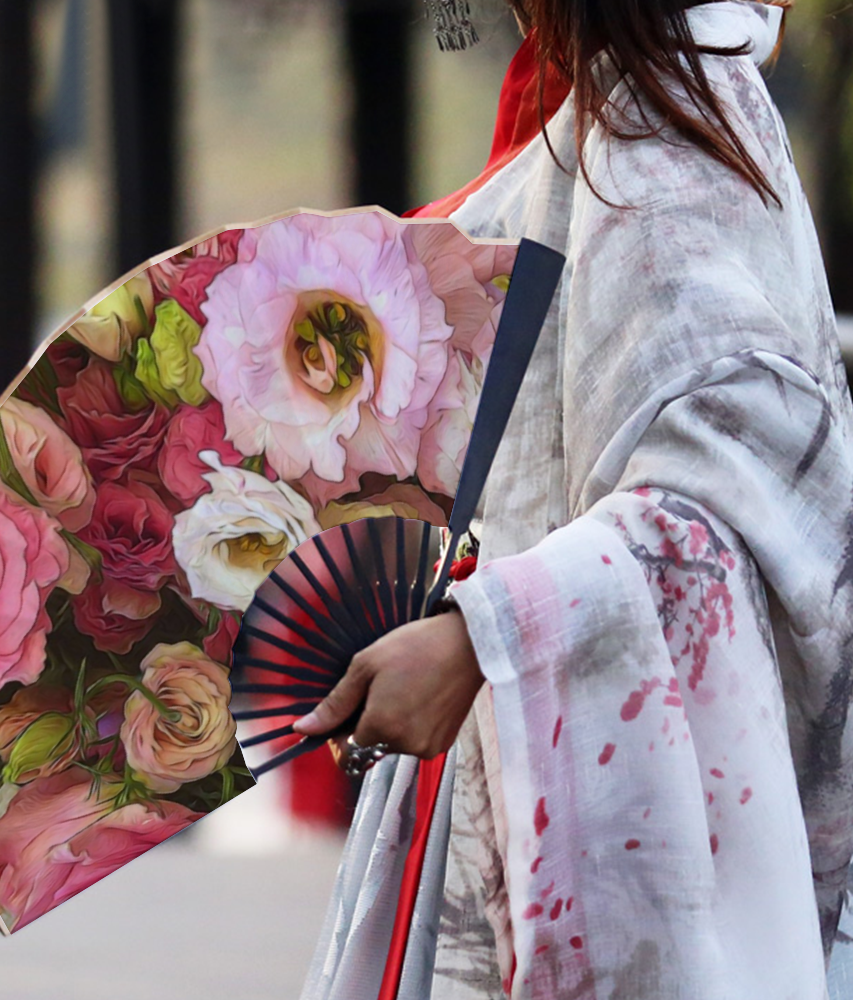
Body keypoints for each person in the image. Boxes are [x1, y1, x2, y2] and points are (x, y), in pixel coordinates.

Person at [292, 1, 853, 998]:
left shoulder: (664, 135)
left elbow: (722, 495)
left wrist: (478, 635)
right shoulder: (634, 112)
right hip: (524, 736)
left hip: (597, 765)